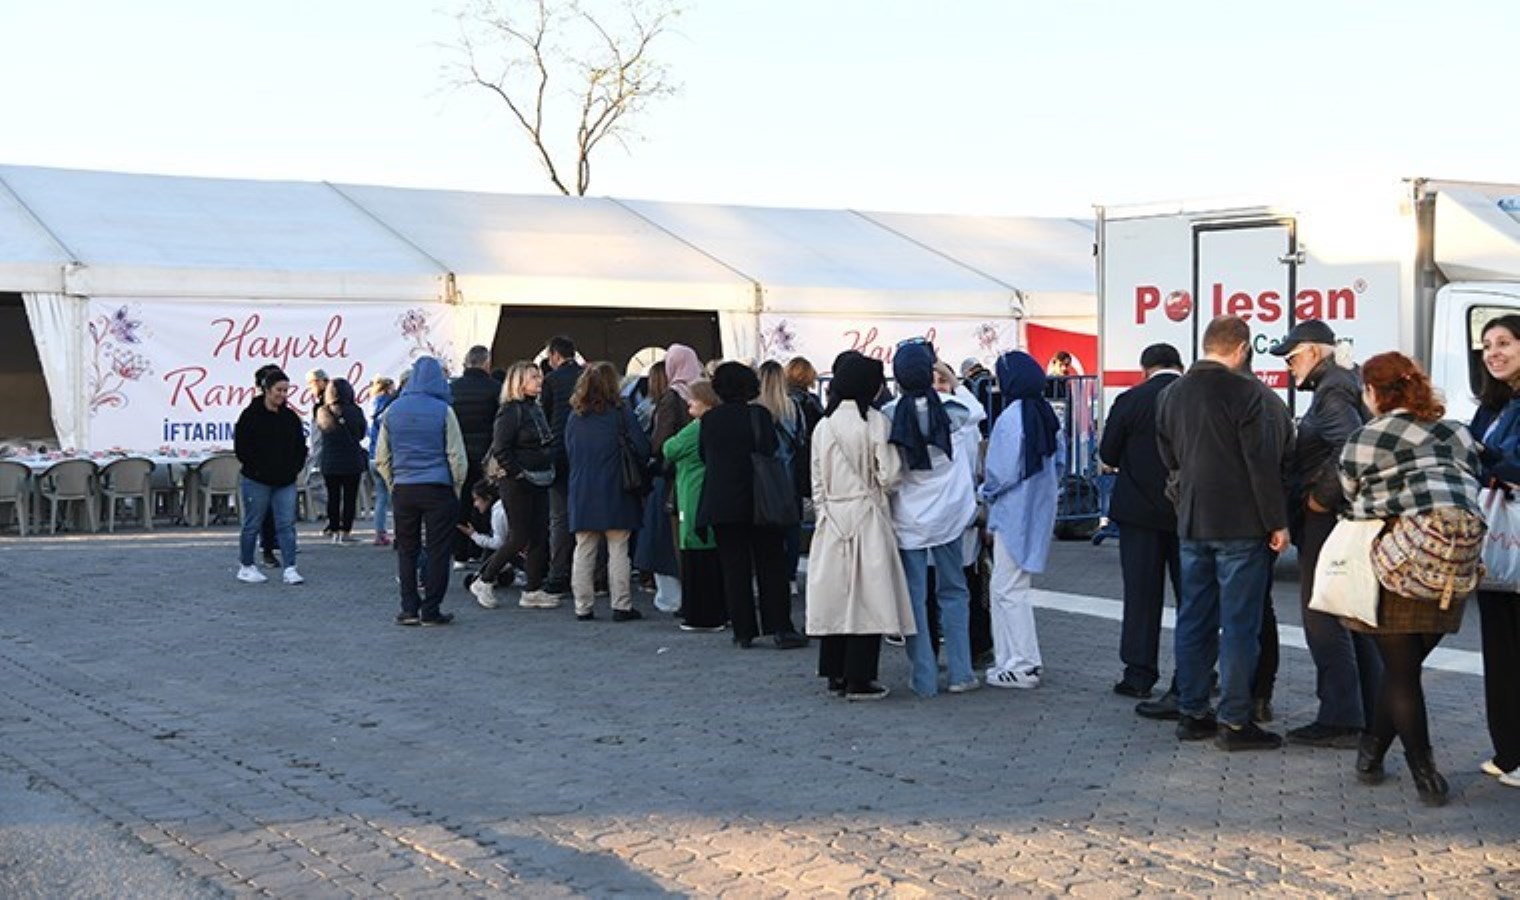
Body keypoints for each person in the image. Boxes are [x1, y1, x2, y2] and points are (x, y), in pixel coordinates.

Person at [1339, 351, 1484, 805]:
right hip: (1450, 564)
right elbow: (1473, 473)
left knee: (1400, 672)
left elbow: (1349, 493)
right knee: (1405, 666)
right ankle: (1371, 753)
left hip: (1397, 560)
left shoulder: (1366, 437)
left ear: (1374, 393)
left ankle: (1425, 773)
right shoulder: (1455, 430)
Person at [1156, 315, 1291, 750]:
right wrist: (1277, 521)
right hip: (1242, 524)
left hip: (1193, 520)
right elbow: (1261, 462)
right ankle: (1235, 721)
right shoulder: (1248, 391)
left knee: (1193, 617)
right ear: (1243, 348)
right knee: (1239, 624)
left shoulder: (1171, 394)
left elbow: (1169, 456)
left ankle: (1192, 711)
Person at [1269, 319, 1380, 749]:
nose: (1288, 366)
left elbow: (1352, 445)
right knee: (1349, 614)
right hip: (1339, 518)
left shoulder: (1332, 389)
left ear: (1315, 352)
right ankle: (1368, 710)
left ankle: (1340, 718)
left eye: (1292, 357)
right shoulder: (1341, 382)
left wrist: (1320, 497)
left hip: (1326, 520)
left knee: (1323, 616)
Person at [806, 352, 914, 701]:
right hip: (867, 515)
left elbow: (816, 482)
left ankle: (833, 672)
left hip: (832, 519)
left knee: (835, 597)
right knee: (868, 598)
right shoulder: (876, 422)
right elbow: (890, 474)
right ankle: (860, 676)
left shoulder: (823, 426)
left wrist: (827, 511)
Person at [883, 339, 977, 696]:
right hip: (950, 512)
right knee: (954, 591)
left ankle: (923, 677)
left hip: (908, 515)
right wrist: (954, 379)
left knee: (915, 598)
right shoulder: (954, 408)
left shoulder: (888, 415)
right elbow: (977, 410)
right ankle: (961, 672)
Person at [698, 362, 808, 649]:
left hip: (723, 501)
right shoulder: (759, 415)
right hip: (761, 500)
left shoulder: (710, 420)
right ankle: (780, 627)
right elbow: (769, 450)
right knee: (770, 564)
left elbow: (703, 455)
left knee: (735, 568)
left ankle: (743, 630)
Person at [1100, 343, 1184, 699]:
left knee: (1141, 595)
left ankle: (1138, 674)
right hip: (1187, 512)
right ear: (1181, 366)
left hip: (1138, 513)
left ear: (1144, 369)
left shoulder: (1129, 400)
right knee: (1193, 598)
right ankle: (1193, 674)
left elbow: (1108, 453)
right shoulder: (1193, 399)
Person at [979, 350, 1062, 689]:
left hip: (1012, 510)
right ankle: (1016, 660)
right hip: (1038, 510)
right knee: (1016, 586)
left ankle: (1020, 662)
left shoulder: (1012, 417)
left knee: (1006, 588)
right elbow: (1057, 465)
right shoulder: (1047, 414)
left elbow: (1001, 470)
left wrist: (984, 492)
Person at [375, 356, 468, 627]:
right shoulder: (443, 410)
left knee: (407, 549)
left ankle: (409, 607)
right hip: (437, 488)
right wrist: (455, 487)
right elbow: (456, 456)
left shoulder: (392, 411)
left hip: (404, 488)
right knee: (438, 550)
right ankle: (431, 609)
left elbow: (382, 456)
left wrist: (394, 483)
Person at [1469, 313, 1520, 790]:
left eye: (1504, 342)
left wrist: (1485, 458)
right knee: (1500, 651)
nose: (1494, 352)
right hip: (1495, 542)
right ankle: (1509, 750)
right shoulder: (1492, 406)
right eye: (1487, 345)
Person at [565, 361, 650, 622]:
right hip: (616, 487)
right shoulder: (621, 411)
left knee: (584, 548)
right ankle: (621, 605)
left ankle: (583, 606)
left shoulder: (575, 415)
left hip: (582, 487)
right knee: (618, 548)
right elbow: (642, 447)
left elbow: (568, 450)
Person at [473, 360, 558, 610]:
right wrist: (517, 472)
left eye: (539, 377)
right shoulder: (511, 411)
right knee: (519, 535)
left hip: (539, 476)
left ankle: (532, 589)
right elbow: (501, 447)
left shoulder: (535, 408)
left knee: (538, 535)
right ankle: (485, 579)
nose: (539, 382)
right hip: (517, 481)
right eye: (533, 377)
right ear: (519, 382)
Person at [637, 347, 699, 614]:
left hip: (671, 476)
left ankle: (674, 597)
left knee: (666, 538)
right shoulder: (701, 392)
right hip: (697, 473)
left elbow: (661, 442)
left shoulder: (672, 397)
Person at [662, 378, 726, 632]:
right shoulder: (720, 425)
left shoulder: (697, 428)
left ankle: (700, 614)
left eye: (694, 399)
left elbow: (670, 448)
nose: (689, 402)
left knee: (693, 549)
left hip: (692, 492)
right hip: (714, 493)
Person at [233, 368, 306, 586]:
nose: (282, 395)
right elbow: (242, 448)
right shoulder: (250, 416)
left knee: (286, 524)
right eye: (278, 390)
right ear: (266, 390)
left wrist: (294, 469)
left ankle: (290, 567)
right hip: (257, 480)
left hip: (285, 480)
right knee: (252, 524)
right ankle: (246, 565)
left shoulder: (290, 417)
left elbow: (300, 447)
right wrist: (256, 469)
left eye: (286, 391)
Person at [758, 360, 807, 598]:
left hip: (763, 478)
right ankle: (789, 577)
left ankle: (766, 577)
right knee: (792, 528)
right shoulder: (793, 408)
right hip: (788, 477)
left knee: (765, 530)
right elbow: (801, 440)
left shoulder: (755, 409)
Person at [540, 335, 584, 597]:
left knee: (558, 516)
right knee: (587, 515)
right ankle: (592, 574)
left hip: (558, 454)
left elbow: (544, 418)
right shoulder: (586, 377)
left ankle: (558, 573)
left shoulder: (551, 381)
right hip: (584, 453)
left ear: (555, 356)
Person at [450, 345, 501, 567]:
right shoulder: (495, 388)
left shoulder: (453, 389)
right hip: (486, 455)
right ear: (486, 363)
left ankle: (459, 553)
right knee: (487, 501)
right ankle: (483, 550)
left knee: (461, 502)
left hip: (459, 453)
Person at [315, 377, 367, 544]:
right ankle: (346, 531)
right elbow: (361, 433)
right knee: (350, 497)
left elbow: (323, 432)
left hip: (330, 460)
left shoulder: (322, 411)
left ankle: (334, 529)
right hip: (352, 459)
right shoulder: (355, 410)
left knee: (333, 496)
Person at [459, 480, 510, 608]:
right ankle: (495, 573)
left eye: (477, 500)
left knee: (491, 548)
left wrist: (474, 536)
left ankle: (484, 576)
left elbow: (499, 544)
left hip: (516, 551)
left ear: (487, 498)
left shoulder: (498, 512)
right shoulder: (499, 508)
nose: (475, 504)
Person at [253, 363, 283, 568]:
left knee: (281, 514)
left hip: (282, 471)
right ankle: (268, 549)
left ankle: (278, 547)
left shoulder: (285, 413)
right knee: (265, 514)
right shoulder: (253, 413)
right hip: (261, 473)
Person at [367, 375, 398, 545]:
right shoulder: (391, 405)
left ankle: (379, 532)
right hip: (387, 455)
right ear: (387, 388)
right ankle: (399, 531)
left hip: (372, 456)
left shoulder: (372, 405)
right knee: (396, 496)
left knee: (380, 497)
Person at [304, 368, 331, 531]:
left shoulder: (327, 403)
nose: (310, 388)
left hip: (323, 451)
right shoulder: (320, 402)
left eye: (312, 383)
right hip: (318, 450)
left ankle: (334, 515)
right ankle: (332, 515)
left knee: (315, 482)